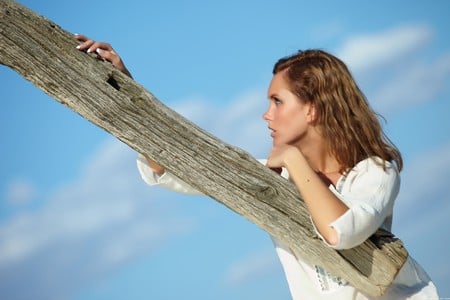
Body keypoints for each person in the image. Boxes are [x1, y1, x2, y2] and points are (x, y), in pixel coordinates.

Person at [75, 34, 439, 299]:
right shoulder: (272, 174)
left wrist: (294, 160)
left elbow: (342, 231)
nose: (266, 115)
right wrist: (122, 83)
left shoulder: (375, 171)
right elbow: (175, 165)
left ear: (312, 109)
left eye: (277, 101)